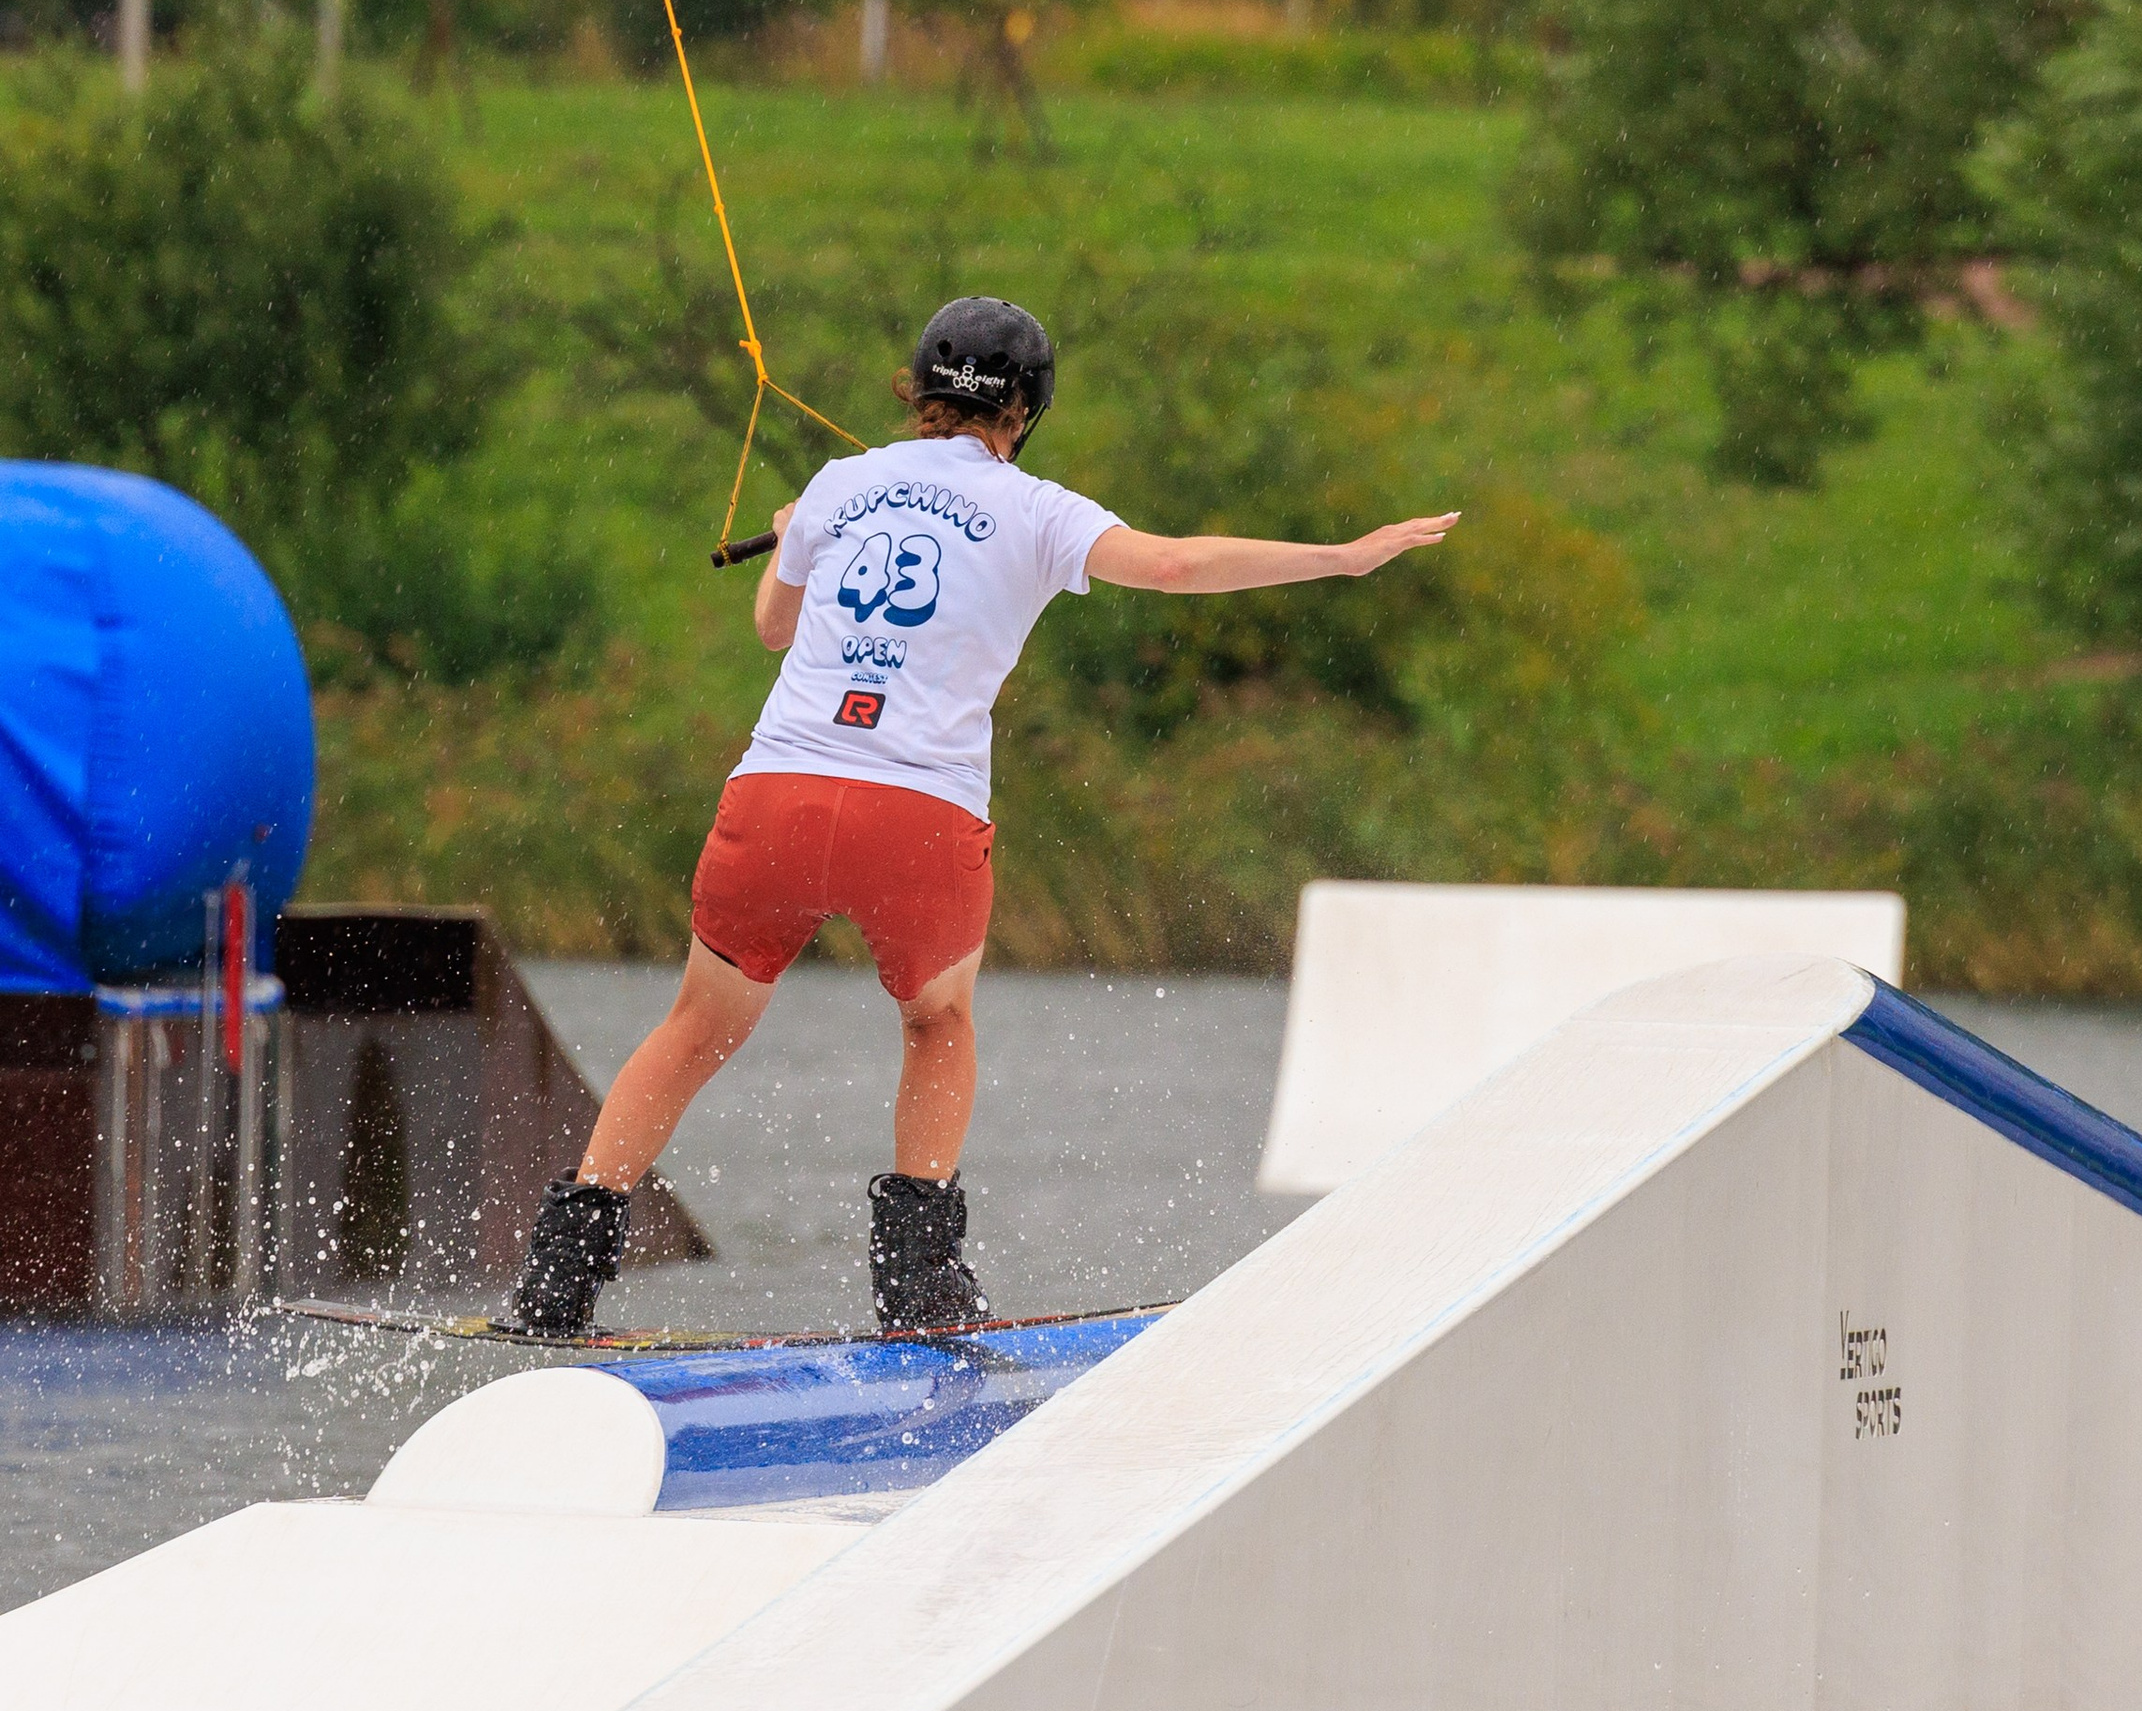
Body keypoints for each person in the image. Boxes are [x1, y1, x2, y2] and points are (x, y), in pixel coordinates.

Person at [508, 295, 1459, 1340]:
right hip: (914, 816)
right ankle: (918, 1289)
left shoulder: (840, 483)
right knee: (937, 1022)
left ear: (916, 393)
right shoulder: (1039, 511)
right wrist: (1342, 555)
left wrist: (794, 538)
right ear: (1027, 412)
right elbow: (1179, 565)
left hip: (775, 796)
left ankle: (560, 1278)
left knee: (697, 1027)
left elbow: (774, 628)